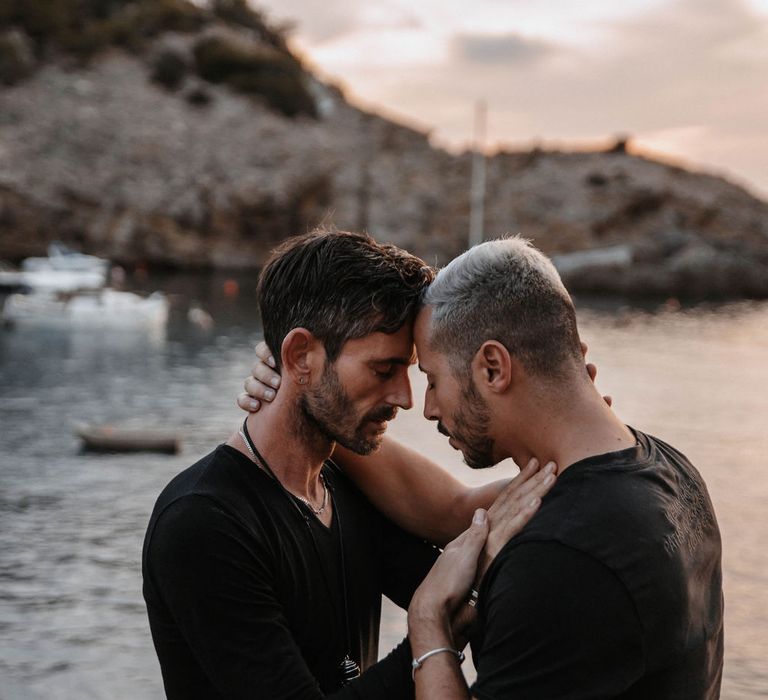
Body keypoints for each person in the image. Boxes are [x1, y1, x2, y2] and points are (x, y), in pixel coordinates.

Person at [245, 236, 724, 699]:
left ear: (492, 368)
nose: (425, 406)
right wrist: (306, 390)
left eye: (431, 378)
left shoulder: (559, 560)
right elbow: (450, 508)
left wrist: (429, 624)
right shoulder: (670, 472)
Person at [142, 229, 555, 699]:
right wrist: (430, 630)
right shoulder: (204, 524)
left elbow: (465, 582)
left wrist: (561, 419)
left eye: (410, 371)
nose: (404, 398)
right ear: (301, 356)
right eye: (383, 370)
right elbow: (446, 602)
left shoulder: (342, 487)